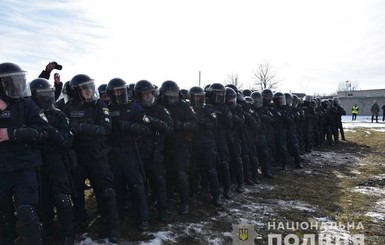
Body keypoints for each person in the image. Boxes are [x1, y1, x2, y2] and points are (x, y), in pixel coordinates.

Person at [62, 74, 120, 243]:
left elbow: (105, 129)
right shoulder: (68, 107)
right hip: (77, 157)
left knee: (107, 192)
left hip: (97, 155)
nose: (89, 91)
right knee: (77, 192)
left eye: (90, 87)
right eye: (84, 88)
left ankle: (112, 225)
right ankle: (80, 221)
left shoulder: (99, 105)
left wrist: (81, 127)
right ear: (75, 92)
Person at [0, 62, 50, 245]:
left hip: (24, 164)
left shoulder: (26, 104)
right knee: (3, 214)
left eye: (18, 81)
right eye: (10, 82)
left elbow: (44, 131)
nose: (16, 85)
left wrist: (12, 133)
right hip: (2, 167)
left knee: (26, 210)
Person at [29, 78, 75, 245]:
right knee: (43, 200)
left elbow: (66, 141)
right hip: (36, 162)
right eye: (40, 94)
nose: (45, 97)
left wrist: (48, 128)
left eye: (48, 93)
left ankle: (68, 233)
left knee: (62, 199)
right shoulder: (29, 115)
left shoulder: (58, 114)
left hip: (56, 160)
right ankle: (49, 230)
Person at [106, 78, 150, 231]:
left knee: (137, 185)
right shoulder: (107, 109)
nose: (118, 94)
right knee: (116, 186)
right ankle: (119, 216)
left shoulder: (135, 107)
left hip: (130, 150)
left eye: (120, 90)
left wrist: (129, 126)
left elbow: (147, 128)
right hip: (113, 152)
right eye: (115, 91)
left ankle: (143, 218)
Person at [133, 80, 174, 222]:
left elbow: (169, 127)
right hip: (139, 152)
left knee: (159, 182)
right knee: (141, 184)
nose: (147, 97)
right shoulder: (135, 108)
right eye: (144, 95)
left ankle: (162, 211)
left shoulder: (160, 109)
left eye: (149, 94)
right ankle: (142, 213)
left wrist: (152, 120)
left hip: (156, 152)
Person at [159, 80, 198, 215]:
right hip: (163, 145)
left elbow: (194, 124)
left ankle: (185, 202)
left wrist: (180, 125)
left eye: (173, 94)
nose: (171, 98)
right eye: (168, 95)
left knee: (181, 174)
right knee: (166, 174)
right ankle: (167, 200)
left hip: (180, 145)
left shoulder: (184, 106)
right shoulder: (159, 106)